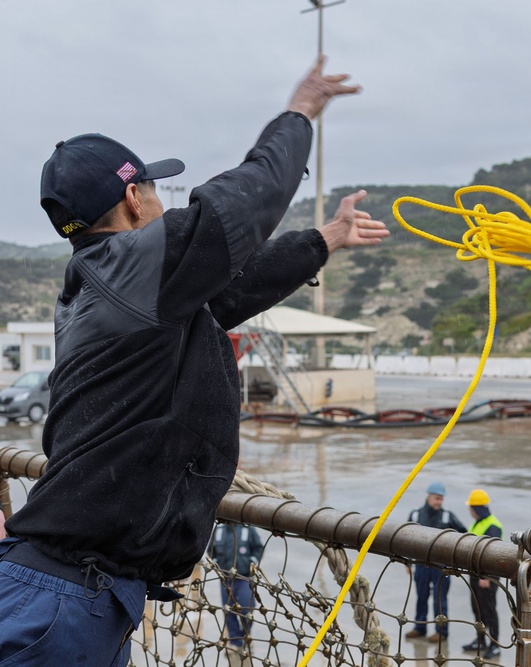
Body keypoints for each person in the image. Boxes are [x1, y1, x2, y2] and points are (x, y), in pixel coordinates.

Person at [0, 57, 388, 666]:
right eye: (152, 186)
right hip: (61, 606)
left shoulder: (107, 289)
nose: (159, 199)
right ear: (134, 197)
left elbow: (228, 294)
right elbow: (241, 203)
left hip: (75, 595)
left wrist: (324, 240)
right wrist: (300, 112)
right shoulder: (132, 269)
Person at [405, 481, 467, 642]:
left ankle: (442, 632)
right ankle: (420, 627)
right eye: (437, 498)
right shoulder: (415, 515)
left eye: (441, 499)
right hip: (421, 565)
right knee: (421, 596)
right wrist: (407, 562)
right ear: (428, 496)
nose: (439, 502)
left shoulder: (448, 516)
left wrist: (455, 562)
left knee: (440, 600)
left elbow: (464, 536)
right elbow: (404, 539)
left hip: (441, 566)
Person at [209, 522, 265, 652]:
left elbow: (258, 547)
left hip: (244, 577)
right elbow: (211, 550)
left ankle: (246, 635)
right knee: (228, 610)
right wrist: (217, 564)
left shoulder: (248, 529)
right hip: (225, 579)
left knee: (247, 608)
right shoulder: (218, 529)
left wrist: (251, 562)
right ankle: (235, 642)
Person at [462, 488, 503, 660]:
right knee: (477, 609)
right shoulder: (478, 522)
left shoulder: (493, 526)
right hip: (475, 574)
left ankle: (494, 645)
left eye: (471, 507)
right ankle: (480, 640)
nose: (469, 510)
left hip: (486, 577)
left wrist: (486, 577)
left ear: (476, 508)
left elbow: (492, 553)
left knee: (489, 610)